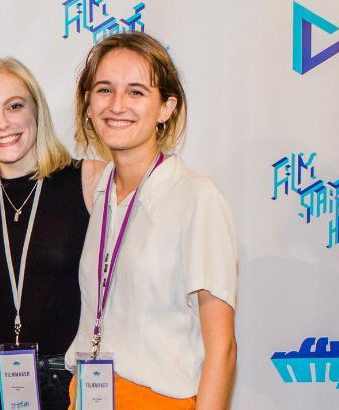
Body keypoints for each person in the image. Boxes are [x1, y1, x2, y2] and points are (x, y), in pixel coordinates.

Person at [65, 32, 238, 409]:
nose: (117, 105)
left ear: (166, 107)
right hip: (89, 394)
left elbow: (221, 348)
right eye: (105, 90)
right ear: (88, 104)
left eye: (137, 92)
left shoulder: (196, 196)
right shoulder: (101, 192)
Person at [0, 57, 103, 409]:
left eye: (14, 106)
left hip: (68, 378)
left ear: (37, 111)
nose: (1, 124)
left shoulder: (90, 180)